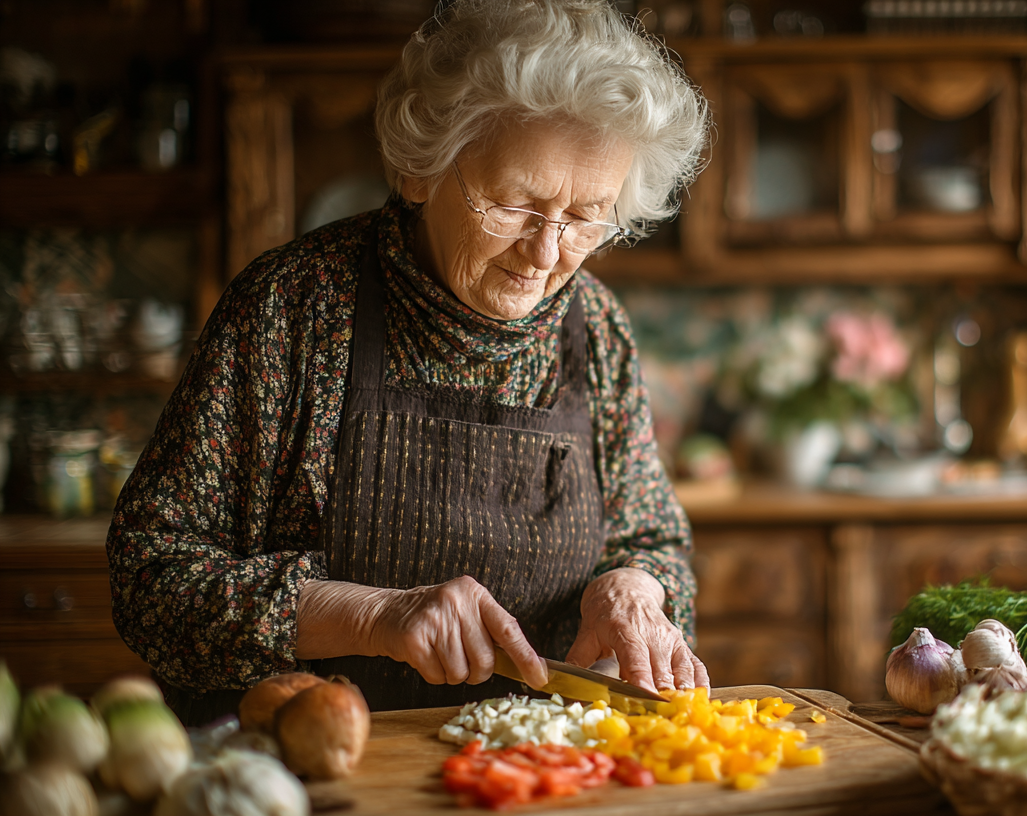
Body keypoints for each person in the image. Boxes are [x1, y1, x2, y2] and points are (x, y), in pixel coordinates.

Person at [106, 0, 711, 725]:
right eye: (513, 204)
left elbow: (651, 537)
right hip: (309, 760)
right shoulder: (291, 308)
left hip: (534, 763)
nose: (546, 253)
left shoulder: (599, 331)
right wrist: (373, 617)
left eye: (585, 218)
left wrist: (633, 588)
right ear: (421, 169)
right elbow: (152, 576)